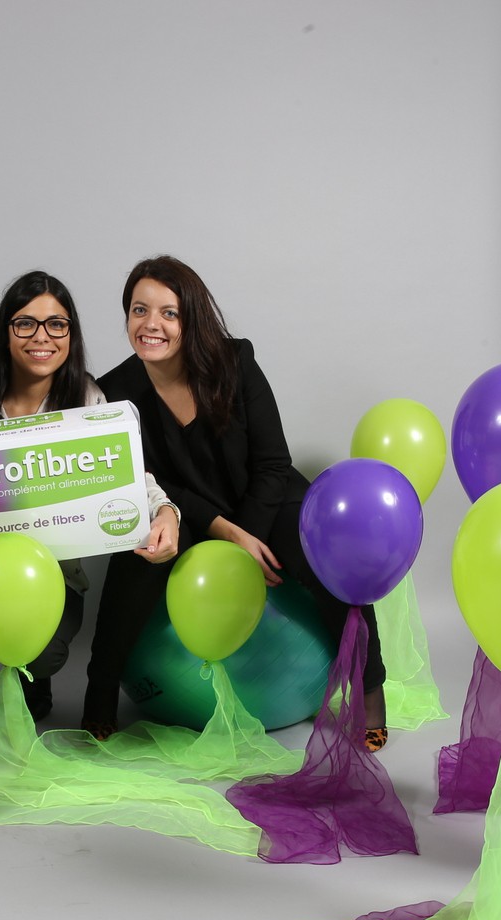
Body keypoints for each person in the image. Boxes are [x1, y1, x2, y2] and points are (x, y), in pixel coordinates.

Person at [82, 255, 388, 749]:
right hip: (183, 511)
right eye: (139, 310)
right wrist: (225, 533)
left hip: (265, 498)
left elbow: (272, 461)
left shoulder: (235, 361)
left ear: (191, 319)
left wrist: (248, 535)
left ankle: (370, 690)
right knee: (135, 559)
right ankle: (98, 695)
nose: (151, 324)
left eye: (168, 313)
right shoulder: (113, 392)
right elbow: (149, 481)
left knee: (332, 556)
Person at [0, 270, 180, 732]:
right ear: (5, 332)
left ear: (70, 335)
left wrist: (165, 511)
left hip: (50, 576)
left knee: (46, 653)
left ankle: (33, 680)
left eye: (57, 324)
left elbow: (129, 474)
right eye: (26, 323)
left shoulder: (88, 400)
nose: (43, 337)